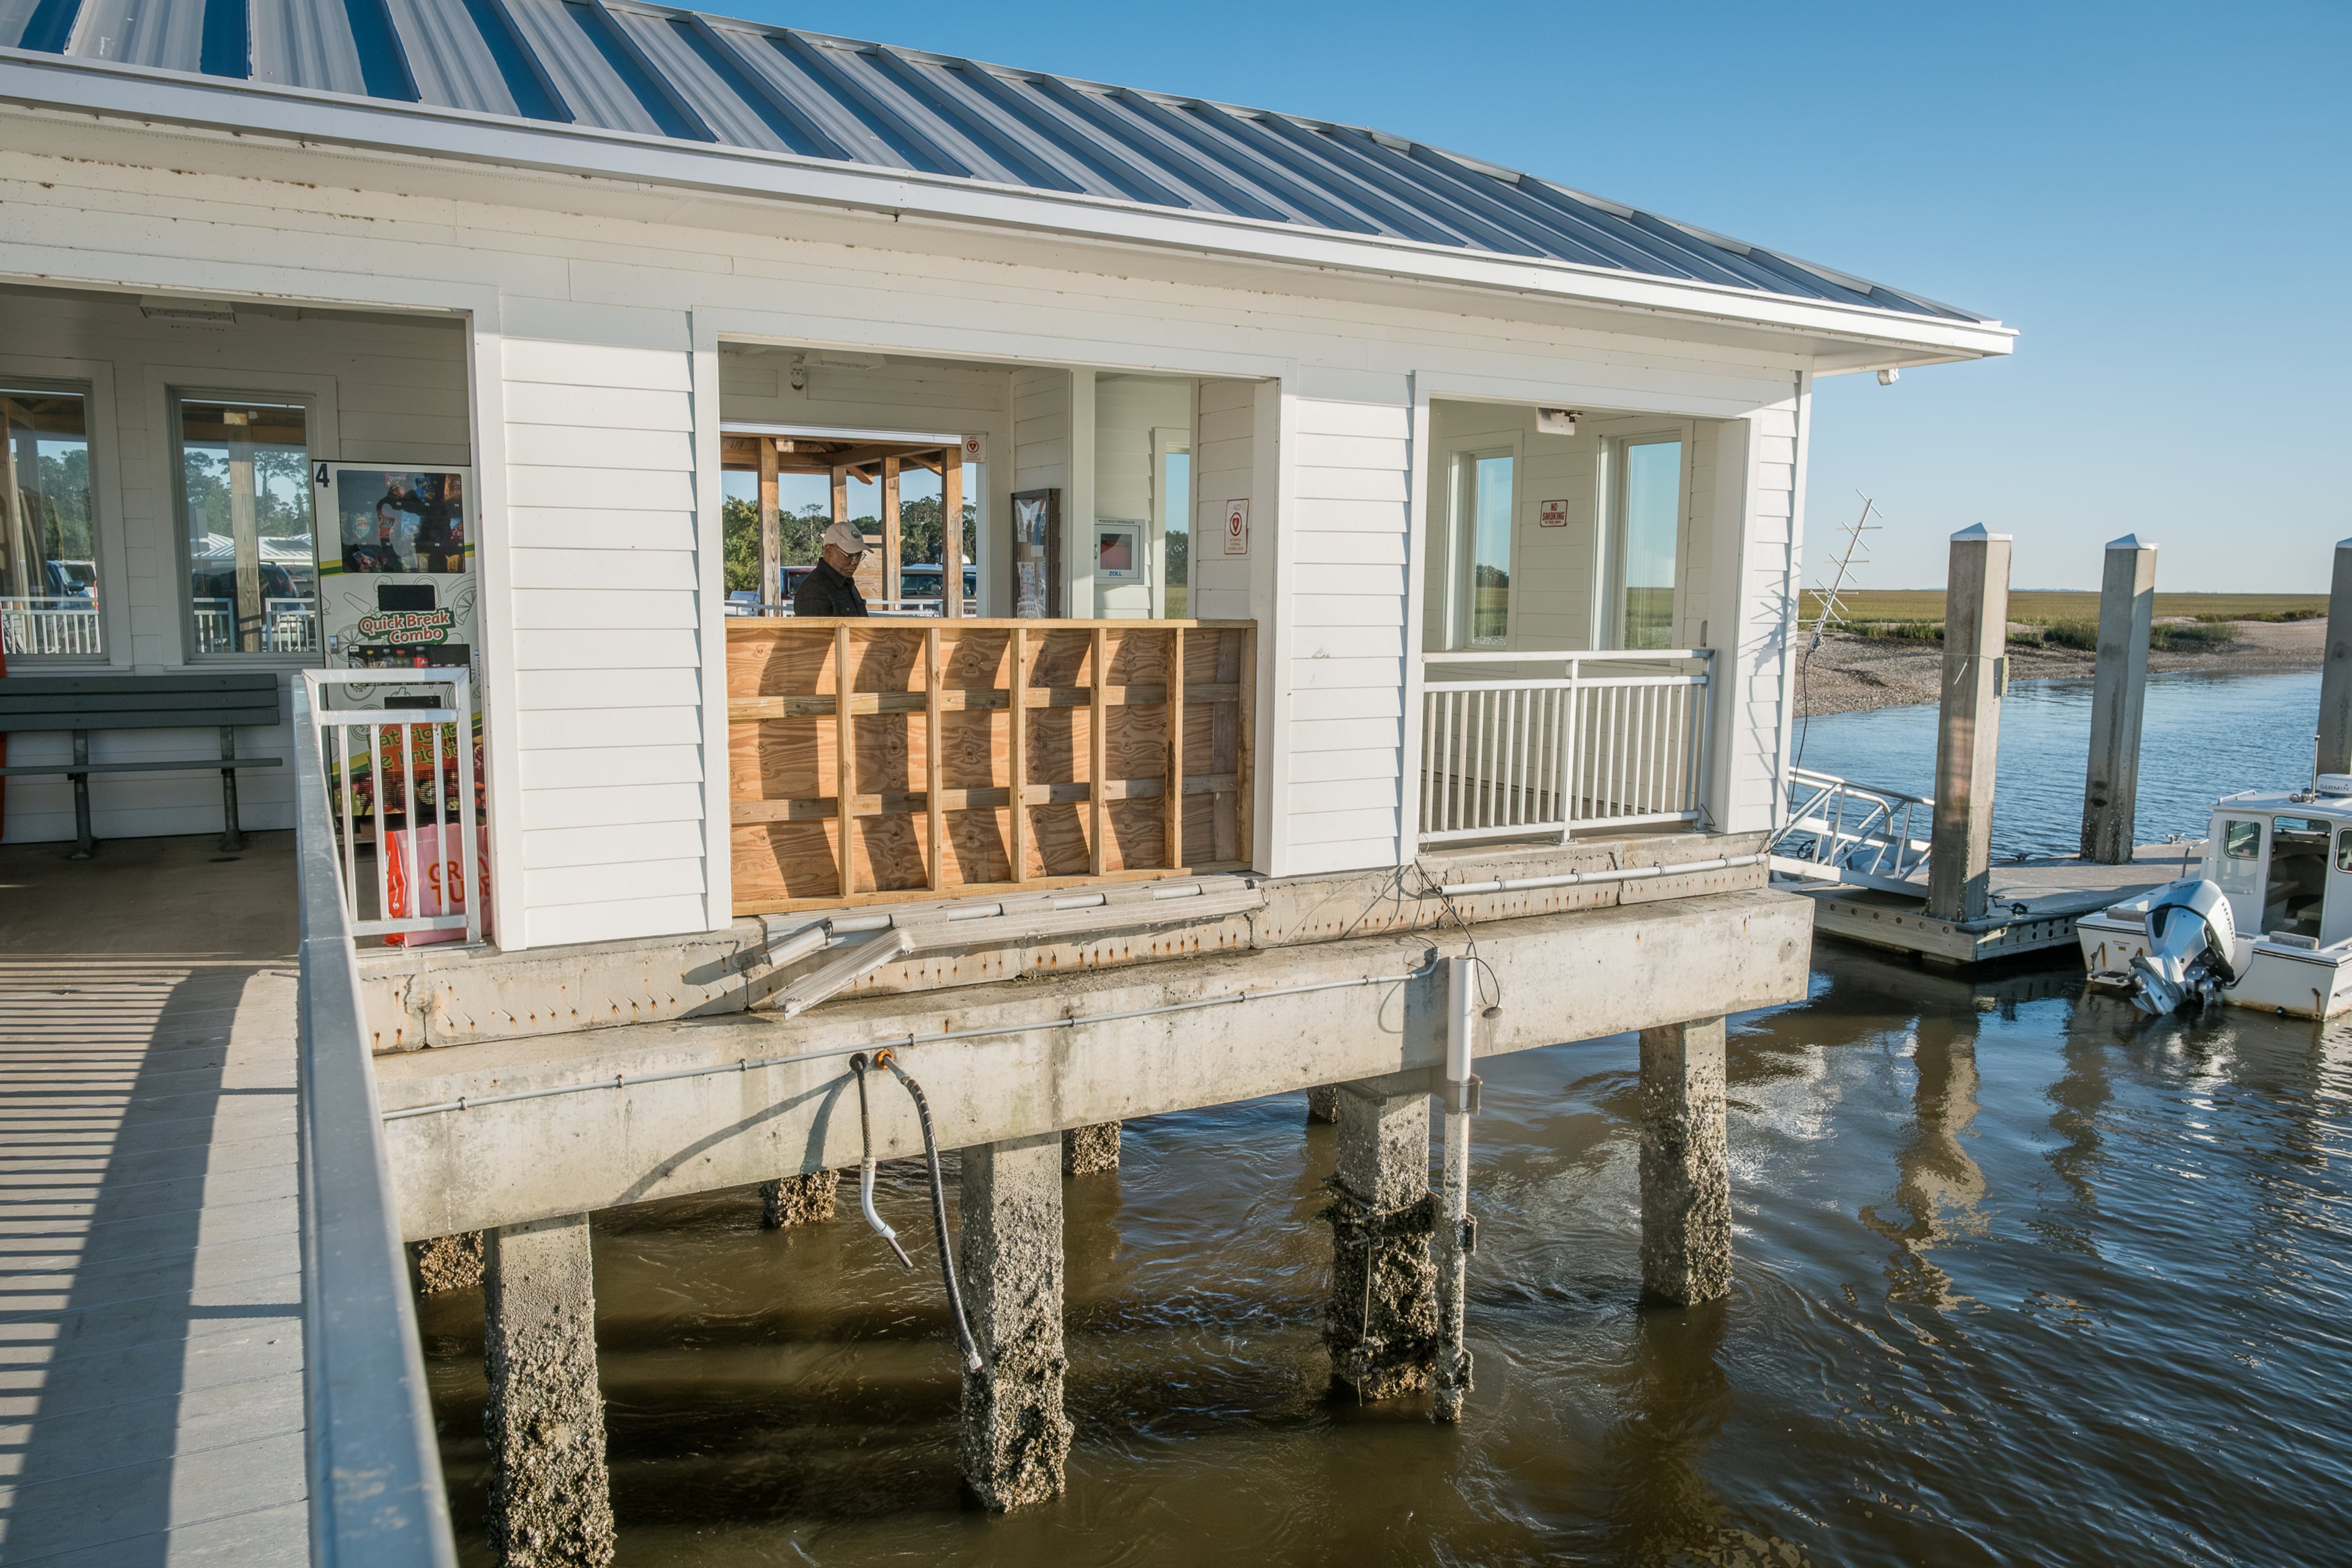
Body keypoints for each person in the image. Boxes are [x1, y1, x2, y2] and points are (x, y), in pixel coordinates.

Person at [793, 520, 869, 617]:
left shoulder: (846, 582)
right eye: (849, 555)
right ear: (829, 550)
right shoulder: (812, 592)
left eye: (859, 556)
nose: (855, 562)